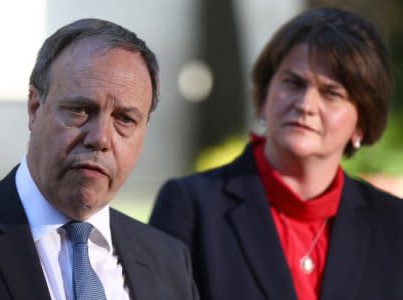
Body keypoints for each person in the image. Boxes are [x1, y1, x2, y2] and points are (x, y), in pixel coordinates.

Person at [150, 7, 403, 300]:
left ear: (362, 123)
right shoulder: (190, 208)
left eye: (331, 93)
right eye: (294, 83)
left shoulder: (393, 225)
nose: (306, 104)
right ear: (263, 98)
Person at [0, 18, 198, 300]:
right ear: (34, 109)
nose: (100, 138)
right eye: (80, 110)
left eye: (125, 119)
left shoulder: (169, 262)